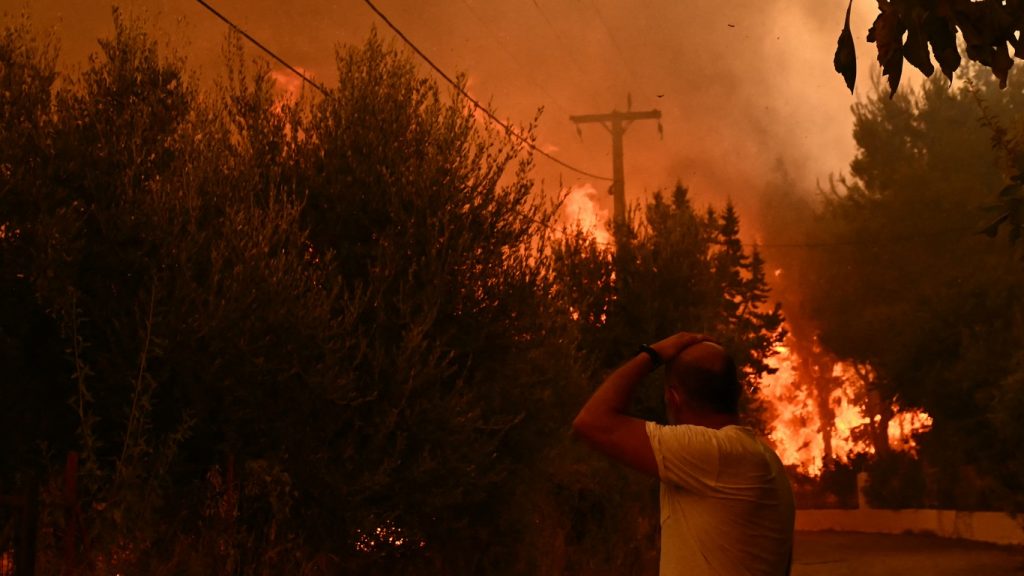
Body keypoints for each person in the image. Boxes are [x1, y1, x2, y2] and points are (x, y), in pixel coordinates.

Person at [572, 331, 795, 576]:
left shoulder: (712, 453)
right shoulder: (768, 460)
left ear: (673, 398)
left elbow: (591, 422)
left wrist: (652, 354)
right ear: (738, 392)